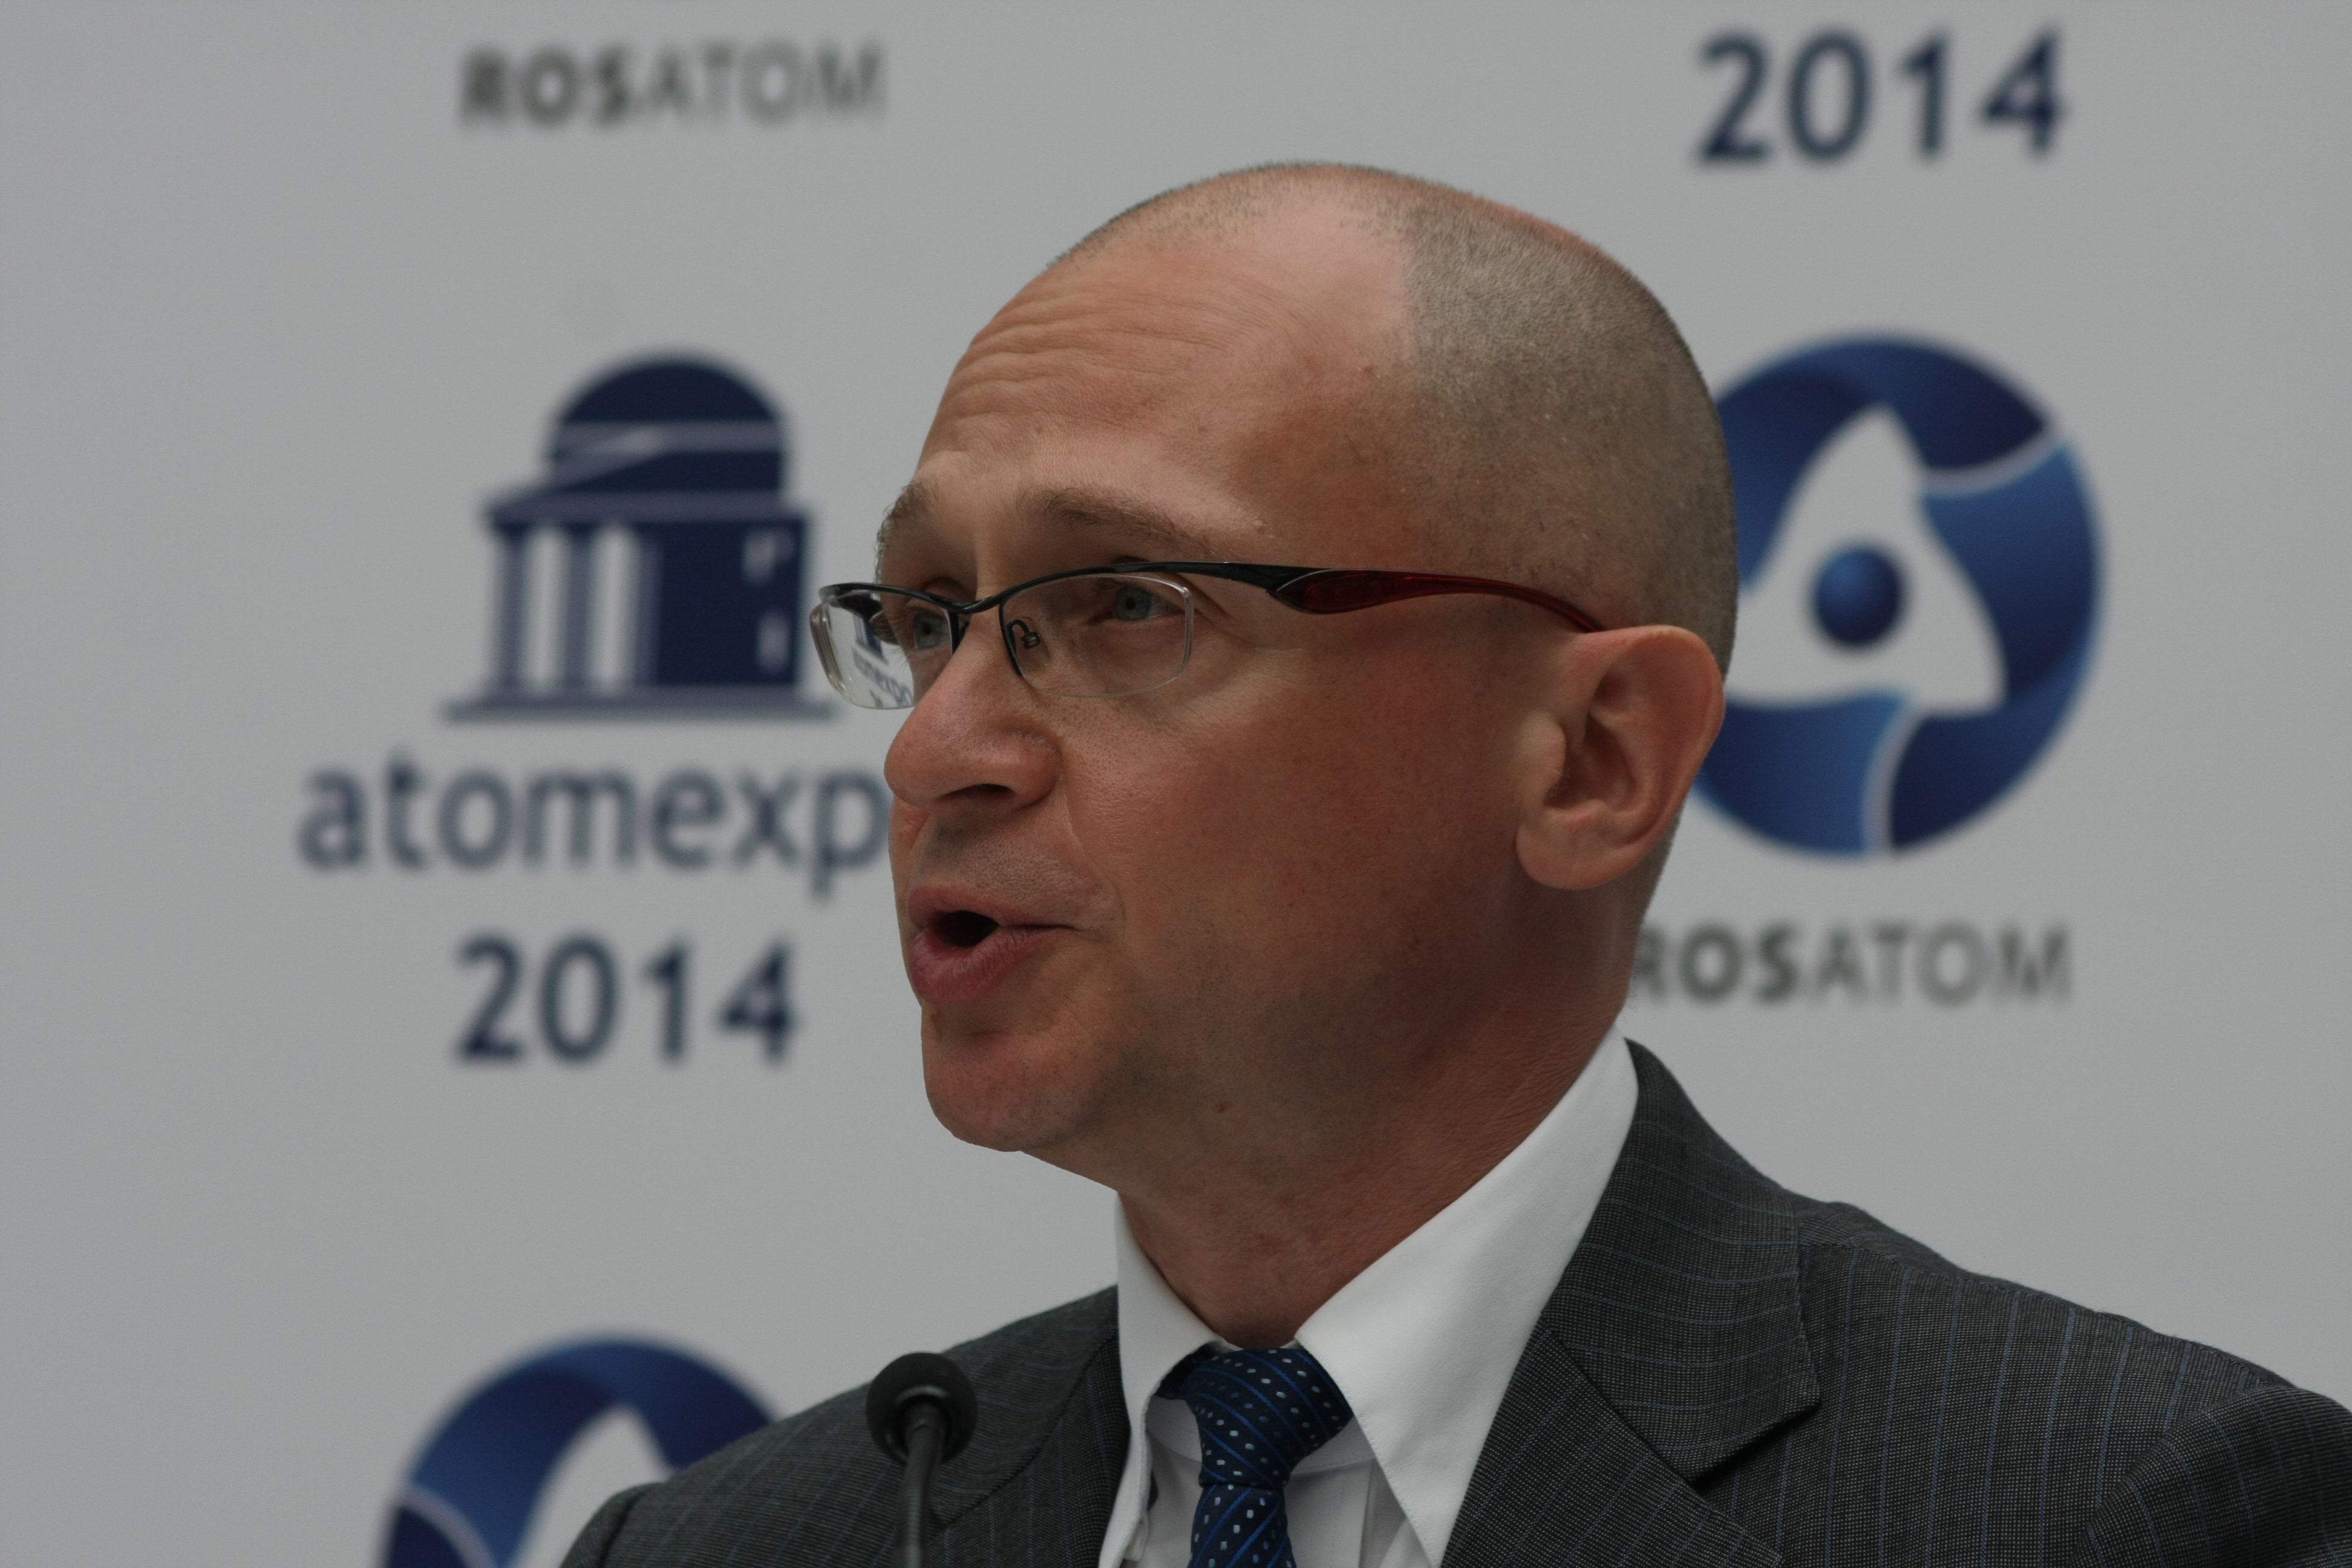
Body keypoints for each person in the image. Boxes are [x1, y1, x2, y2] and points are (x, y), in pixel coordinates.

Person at [564, 166, 2349, 1568]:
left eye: (1124, 606)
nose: (935, 749)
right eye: (926, 618)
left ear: (1593, 760)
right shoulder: (741, 1544)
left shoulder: (2112, 1515)